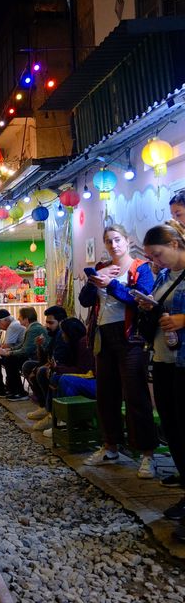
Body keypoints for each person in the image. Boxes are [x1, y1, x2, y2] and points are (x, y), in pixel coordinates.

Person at [79, 224, 157, 478]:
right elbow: (85, 301)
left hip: (131, 337)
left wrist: (112, 284)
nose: (113, 245)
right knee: (106, 395)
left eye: (117, 240)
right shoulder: (102, 267)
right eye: (108, 241)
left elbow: (141, 299)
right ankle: (110, 446)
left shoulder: (141, 268)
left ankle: (147, 454)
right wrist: (94, 282)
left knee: (136, 395)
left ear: (127, 241)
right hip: (103, 336)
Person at [140, 224, 185, 535]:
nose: (156, 261)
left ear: (174, 242)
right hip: (165, 360)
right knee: (173, 429)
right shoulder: (162, 277)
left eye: (158, 254)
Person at [33, 318, 95, 436]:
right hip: (88, 377)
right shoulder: (73, 343)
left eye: (64, 332)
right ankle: (52, 413)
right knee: (54, 376)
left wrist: (58, 368)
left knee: (63, 379)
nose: (62, 335)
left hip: (95, 381)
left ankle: (64, 420)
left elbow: (83, 371)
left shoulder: (83, 343)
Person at [23, 305, 69, 426]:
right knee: (28, 366)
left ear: (61, 322)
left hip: (65, 368)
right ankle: (44, 406)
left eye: (51, 323)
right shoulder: (54, 334)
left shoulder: (62, 334)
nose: (47, 326)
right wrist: (39, 345)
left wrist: (42, 367)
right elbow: (45, 357)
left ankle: (52, 413)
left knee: (42, 371)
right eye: (46, 322)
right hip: (55, 365)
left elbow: (59, 360)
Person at [0, 306, 47, 401]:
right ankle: (12, 389)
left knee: (10, 360)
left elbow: (25, 351)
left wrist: (9, 353)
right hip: (33, 356)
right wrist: (9, 350)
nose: (18, 318)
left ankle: (19, 391)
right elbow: (22, 345)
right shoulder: (31, 327)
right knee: (8, 358)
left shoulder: (33, 329)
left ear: (26, 319)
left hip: (36, 358)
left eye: (20, 316)